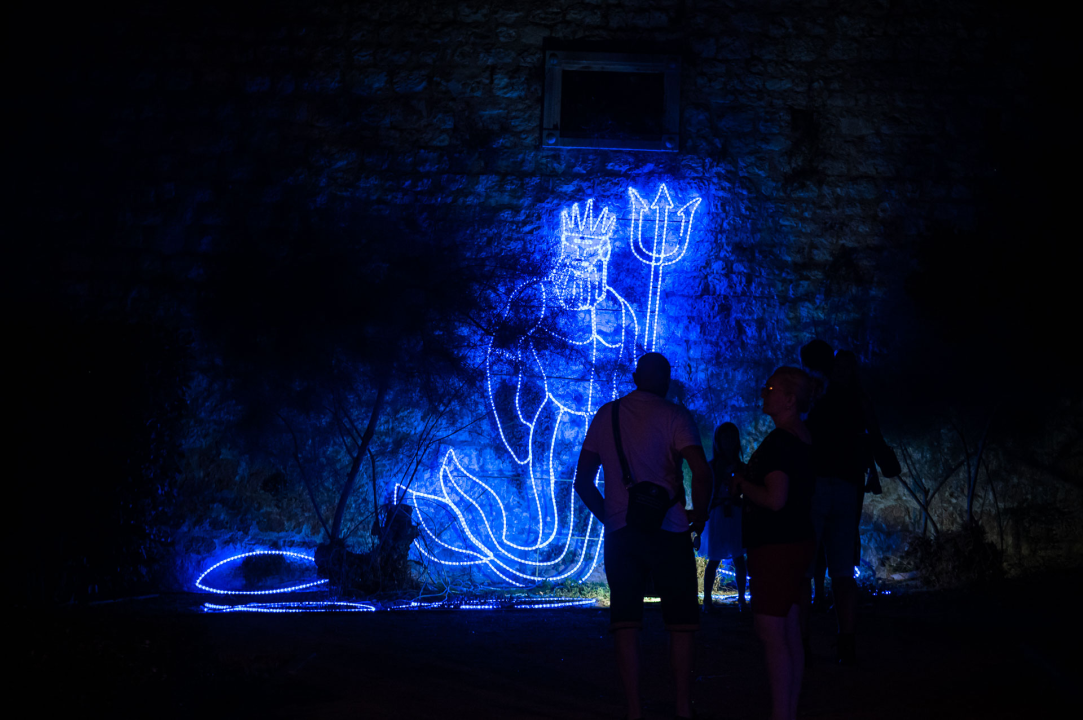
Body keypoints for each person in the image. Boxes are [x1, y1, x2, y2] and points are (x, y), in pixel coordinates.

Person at [574, 353, 713, 720]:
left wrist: (611, 516)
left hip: (623, 532)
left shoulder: (607, 415)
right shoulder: (675, 416)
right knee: (681, 623)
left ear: (635, 377)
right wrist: (698, 516)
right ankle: (683, 706)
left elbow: (583, 482)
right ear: (666, 380)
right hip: (670, 529)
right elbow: (701, 471)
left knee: (625, 622)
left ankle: (635, 709)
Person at [732, 367, 815, 720]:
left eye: (770, 388)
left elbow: (775, 499)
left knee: (772, 632)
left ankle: (781, 714)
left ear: (789, 398)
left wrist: (740, 484)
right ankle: (788, 712)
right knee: (790, 630)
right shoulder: (803, 438)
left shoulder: (781, 442)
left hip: (776, 547)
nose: (763, 393)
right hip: (796, 542)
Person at [805, 349, 881, 665]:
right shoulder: (855, 401)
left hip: (823, 482)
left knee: (814, 566)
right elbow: (872, 438)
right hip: (844, 483)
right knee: (840, 569)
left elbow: (807, 435)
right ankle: (844, 641)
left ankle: (806, 641)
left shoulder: (820, 396)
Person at [700, 422, 747, 614]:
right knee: (714, 558)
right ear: (718, 441)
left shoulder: (742, 467)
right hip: (718, 513)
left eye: (732, 438)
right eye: (725, 438)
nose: (729, 442)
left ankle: (742, 599)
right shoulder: (712, 467)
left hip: (735, 513)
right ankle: (707, 599)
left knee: (739, 557)